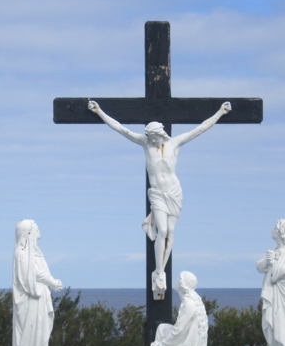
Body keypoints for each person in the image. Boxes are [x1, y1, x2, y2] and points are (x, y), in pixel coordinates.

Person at [88, 100, 232, 295]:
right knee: (162, 230)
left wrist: (220, 113)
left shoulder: (175, 143)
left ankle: (161, 269)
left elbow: (200, 129)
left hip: (174, 192)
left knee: (171, 232)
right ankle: (158, 269)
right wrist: (99, 112)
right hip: (157, 194)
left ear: (160, 134)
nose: (152, 140)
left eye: (154, 137)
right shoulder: (145, 143)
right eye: (150, 137)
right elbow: (122, 129)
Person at [8, 220, 62, 346]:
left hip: (40, 300)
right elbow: (32, 273)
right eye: (36, 228)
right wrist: (52, 282)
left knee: (40, 334)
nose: (39, 231)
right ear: (29, 232)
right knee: (27, 333)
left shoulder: (36, 252)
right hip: (29, 299)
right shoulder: (21, 252)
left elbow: (38, 271)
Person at [140, 271, 210, 346]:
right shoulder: (195, 300)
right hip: (188, 341)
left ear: (182, 285)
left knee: (161, 334)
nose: (175, 283)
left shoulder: (189, 303)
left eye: (178, 280)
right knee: (163, 328)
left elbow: (179, 332)